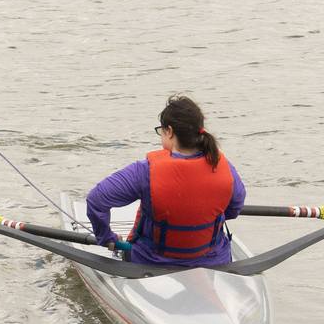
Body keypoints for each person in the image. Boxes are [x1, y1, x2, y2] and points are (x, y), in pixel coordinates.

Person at [85, 94, 245, 267]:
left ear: (169, 131)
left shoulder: (145, 171)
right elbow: (235, 208)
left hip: (151, 263)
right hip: (213, 261)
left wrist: (107, 238)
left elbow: (96, 200)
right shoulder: (223, 165)